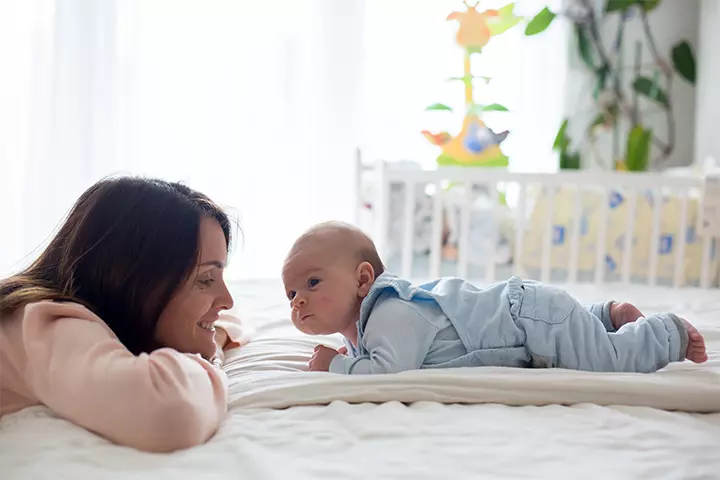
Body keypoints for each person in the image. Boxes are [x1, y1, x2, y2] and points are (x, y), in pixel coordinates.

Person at [0, 177, 249, 453]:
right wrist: (210, 358)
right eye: (205, 279)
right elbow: (169, 411)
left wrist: (213, 334)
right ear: (134, 278)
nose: (227, 300)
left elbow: (232, 318)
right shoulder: (46, 323)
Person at [281, 221, 708, 375]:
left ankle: (664, 333)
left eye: (313, 283)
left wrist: (335, 364)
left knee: (607, 362)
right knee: (579, 339)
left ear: (363, 279)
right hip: (530, 318)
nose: (299, 300)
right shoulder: (366, 327)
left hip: (529, 321)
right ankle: (608, 316)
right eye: (291, 293)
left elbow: (390, 371)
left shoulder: (391, 311)